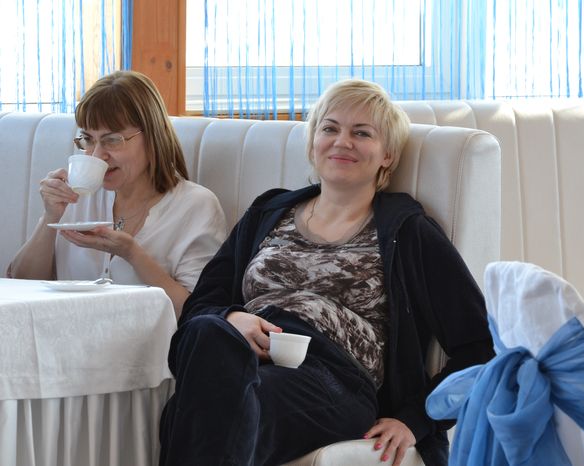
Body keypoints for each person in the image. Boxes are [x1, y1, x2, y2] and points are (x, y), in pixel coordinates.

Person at [158, 79, 494, 466]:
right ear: (313, 143)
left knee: (204, 407)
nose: (342, 141)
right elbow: (201, 304)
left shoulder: (408, 231)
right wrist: (232, 317)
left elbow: (480, 346)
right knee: (208, 335)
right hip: (246, 360)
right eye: (330, 128)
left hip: (334, 379)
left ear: (387, 155)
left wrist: (416, 420)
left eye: (361, 133)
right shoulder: (268, 212)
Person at [6, 70, 227, 316]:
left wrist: (132, 253)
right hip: (63, 334)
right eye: (88, 139)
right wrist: (50, 216)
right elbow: (21, 288)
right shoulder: (77, 196)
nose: (96, 155)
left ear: (153, 137)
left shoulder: (196, 206)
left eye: (112, 140)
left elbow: (196, 313)